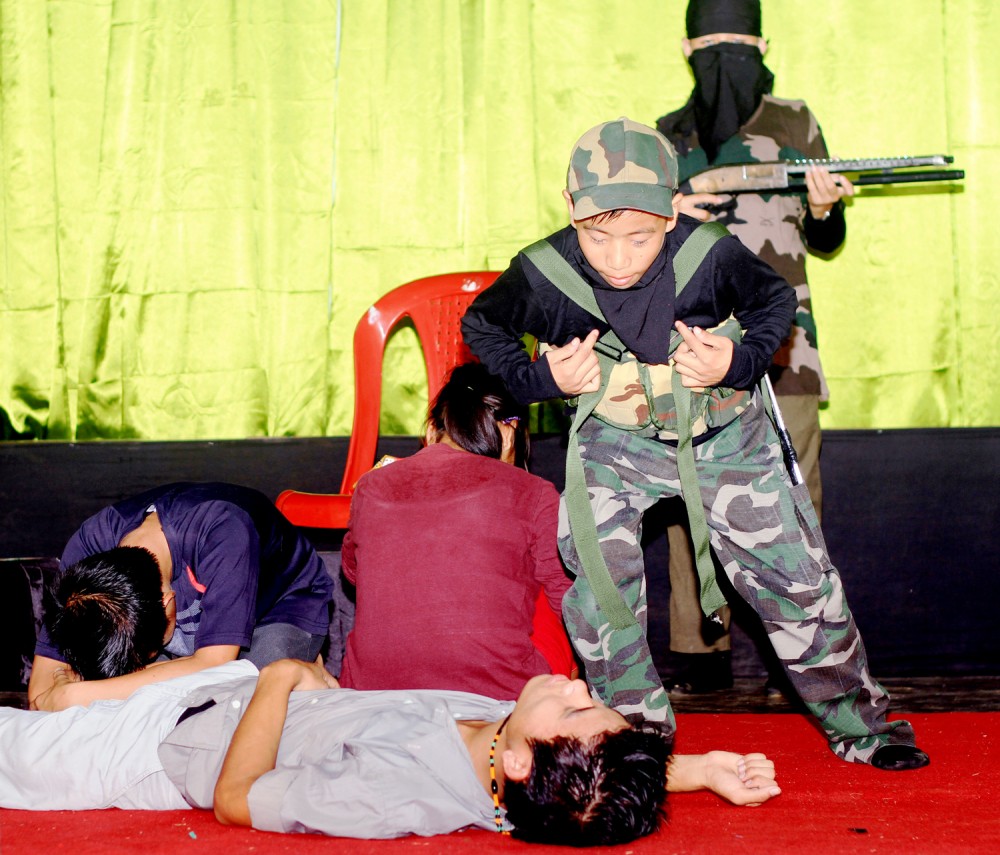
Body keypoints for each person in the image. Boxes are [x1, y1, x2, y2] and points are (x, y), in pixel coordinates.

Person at [461, 116, 928, 770]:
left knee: (798, 582)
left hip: (724, 437)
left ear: (674, 210)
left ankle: (862, 725)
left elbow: (774, 304)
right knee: (599, 588)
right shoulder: (542, 273)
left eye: (640, 236)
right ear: (570, 210)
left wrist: (735, 360)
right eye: (599, 235)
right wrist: (540, 378)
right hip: (614, 443)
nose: (619, 257)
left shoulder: (707, 253)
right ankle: (639, 747)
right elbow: (481, 325)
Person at [0, 659, 782, 842]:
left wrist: (281, 681)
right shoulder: (522, 748)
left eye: (575, 705)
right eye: (590, 695)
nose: (576, 683)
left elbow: (235, 801)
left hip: (157, 751)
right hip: (222, 690)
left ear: (517, 765)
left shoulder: (396, 795)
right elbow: (590, 773)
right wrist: (700, 770)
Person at [655, 0, 855, 694]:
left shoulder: (795, 123)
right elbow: (631, 250)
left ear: (764, 45)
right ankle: (696, 652)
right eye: (714, 48)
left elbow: (825, 240)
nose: (725, 60)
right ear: (686, 49)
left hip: (785, 346)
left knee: (795, 505)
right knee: (689, 499)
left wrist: (825, 207)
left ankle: (805, 660)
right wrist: (672, 214)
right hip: (689, 345)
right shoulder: (663, 138)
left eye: (738, 47)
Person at [339, 361, 574, 697]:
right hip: (498, 693)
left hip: (372, 691)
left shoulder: (371, 485)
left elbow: (352, 572)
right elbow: (568, 600)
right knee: (544, 592)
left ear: (434, 430)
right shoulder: (532, 491)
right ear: (510, 432)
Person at [28, 482, 335, 712]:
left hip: (280, 607)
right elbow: (41, 689)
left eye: (142, 659)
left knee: (240, 704)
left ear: (167, 602)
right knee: (137, 702)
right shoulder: (87, 553)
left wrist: (78, 694)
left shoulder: (223, 531)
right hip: (193, 637)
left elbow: (215, 665)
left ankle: (306, 667)